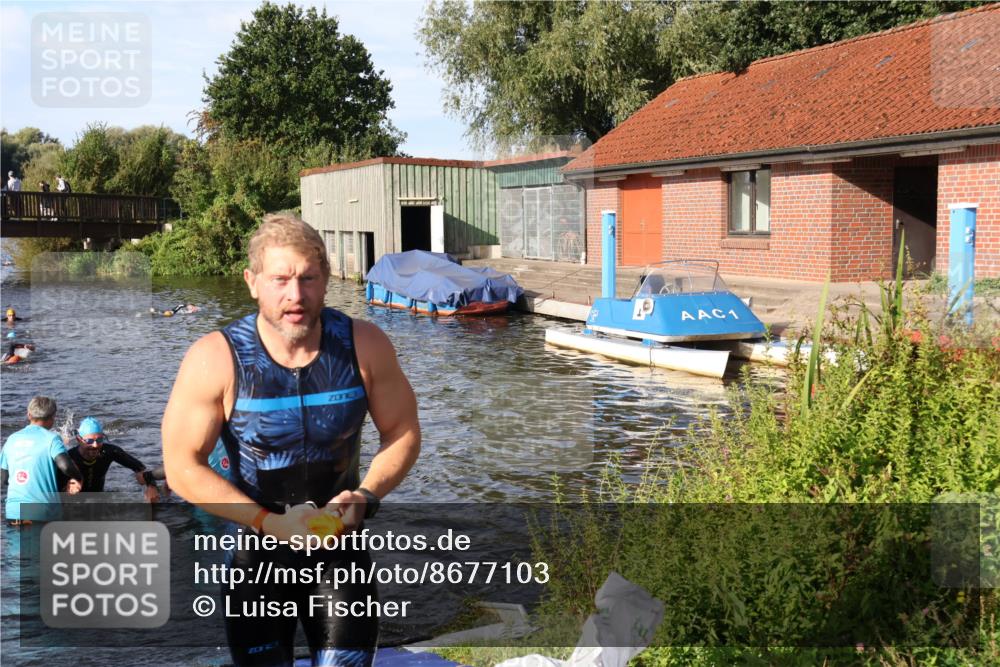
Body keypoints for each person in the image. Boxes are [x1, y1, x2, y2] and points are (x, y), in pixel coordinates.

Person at [162, 212, 421, 667]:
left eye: (308, 278)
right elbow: (182, 465)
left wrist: (365, 495)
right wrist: (269, 522)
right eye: (280, 279)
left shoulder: (365, 344)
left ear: (325, 280)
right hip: (255, 557)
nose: (295, 295)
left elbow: (402, 432)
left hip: (341, 549)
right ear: (252, 282)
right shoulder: (216, 358)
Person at [0, 397, 83, 525]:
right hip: (43, 512)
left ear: (29, 415)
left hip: (14, 513)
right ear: (52, 418)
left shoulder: (11, 439)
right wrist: (78, 478)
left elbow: (3, 478)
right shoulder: (52, 439)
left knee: (18, 545)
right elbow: (66, 467)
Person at [59, 417, 161, 503]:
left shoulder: (109, 451)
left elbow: (139, 467)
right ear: (78, 440)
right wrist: (65, 489)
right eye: (89, 441)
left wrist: (151, 486)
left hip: (99, 499)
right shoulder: (69, 457)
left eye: (99, 440)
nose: (95, 445)